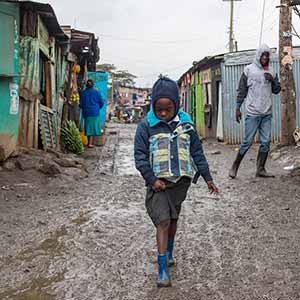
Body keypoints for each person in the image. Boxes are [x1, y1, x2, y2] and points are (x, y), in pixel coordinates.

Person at [134, 76, 219, 288]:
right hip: (158, 185)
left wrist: (207, 177)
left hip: (180, 184)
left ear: (176, 105)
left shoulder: (187, 125)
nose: (163, 113)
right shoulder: (146, 126)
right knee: (162, 221)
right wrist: (152, 180)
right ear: (153, 105)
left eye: (168, 109)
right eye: (159, 109)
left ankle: (169, 253)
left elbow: (197, 153)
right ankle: (162, 269)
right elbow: (140, 156)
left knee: (172, 220)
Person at [229, 44, 281, 179]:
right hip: (252, 113)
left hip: (266, 114)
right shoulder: (248, 70)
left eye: (267, 56)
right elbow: (242, 90)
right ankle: (235, 166)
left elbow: (276, 90)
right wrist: (237, 108)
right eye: (262, 55)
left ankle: (261, 169)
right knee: (247, 142)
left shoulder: (272, 71)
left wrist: (273, 81)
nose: (265, 58)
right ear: (258, 56)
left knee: (265, 142)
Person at [79, 79, 105, 148]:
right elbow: (102, 102)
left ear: (86, 85)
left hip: (87, 112)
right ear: (93, 85)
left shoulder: (83, 93)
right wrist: (97, 108)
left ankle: (89, 143)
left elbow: (80, 104)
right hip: (95, 112)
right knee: (93, 128)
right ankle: (90, 143)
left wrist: (85, 107)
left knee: (88, 128)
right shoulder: (96, 92)